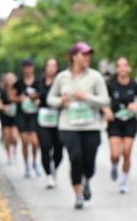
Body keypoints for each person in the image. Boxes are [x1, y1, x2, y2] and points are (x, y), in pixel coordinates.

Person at [47, 41, 109, 209]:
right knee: (75, 158)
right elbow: (50, 99)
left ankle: (86, 179)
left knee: (89, 162)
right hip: (68, 125)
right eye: (84, 54)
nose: (88, 57)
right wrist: (61, 101)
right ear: (74, 57)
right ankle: (78, 194)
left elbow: (105, 100)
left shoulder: (95, 76)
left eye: (89, 54)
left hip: (91, 126)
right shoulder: (62, 77)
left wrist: (87, 96)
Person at [104, 57, 137, 194]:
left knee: (127, 152)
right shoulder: (110, 84)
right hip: (115, 123)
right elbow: (102, 101)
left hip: (130, 122)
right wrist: (107, 110)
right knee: (115, 154)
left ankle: (123, 181)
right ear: (116, 69)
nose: (122, 68)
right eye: (119, 66)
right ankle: (114, 164)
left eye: (125, 65)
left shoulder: (134, 85)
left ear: (129, 68)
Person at [36, 58, 63, 189]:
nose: (52, 68)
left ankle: (54, 168)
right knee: (45, 147)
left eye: (54, 65)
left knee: (58, 148)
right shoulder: (39, 82)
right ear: (45, 68)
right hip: (43, 119)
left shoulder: (62, 82)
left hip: (58, 118)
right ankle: (48, 175)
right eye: (49, 65)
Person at [14, 59, 42, 178]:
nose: (28, 69)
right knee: (25, 142)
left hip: (34, 114)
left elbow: (43, 94)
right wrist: (19, 99)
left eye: (29, 67)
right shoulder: (18, 83)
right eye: (25, 67)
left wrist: (36, 99)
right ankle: (26, 166)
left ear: (33, 68)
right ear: (23, 68)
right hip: (22, 114)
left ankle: (35, 162)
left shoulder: (38, 81)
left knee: (35, 142)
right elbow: (11, 97)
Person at [0, 73, 20, 165]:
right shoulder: (3, 92)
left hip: (15, 117)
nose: (10, 82)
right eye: (8, 80)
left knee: (14, 137)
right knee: (7, 138)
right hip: (5, 117)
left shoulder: (18, 91)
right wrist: (3, 107)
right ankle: (8, 155)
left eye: (12, 79)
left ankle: (14, 151)